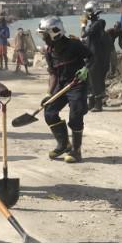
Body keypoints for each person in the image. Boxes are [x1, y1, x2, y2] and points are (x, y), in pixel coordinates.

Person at [39, 15, 93, 163]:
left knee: (76, 114)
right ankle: (63, 144)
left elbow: (91, 57)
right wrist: (49, 93)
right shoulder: (49, 52)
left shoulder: (74, 45)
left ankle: (76, 150)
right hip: (62, 85)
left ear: (54, 33)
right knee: (49, 111)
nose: (43, 39)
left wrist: (85, 70)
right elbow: (53, 74)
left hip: (77, 84)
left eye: (45, 35)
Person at [81, 1, 110, 112]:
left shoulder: (96, 24)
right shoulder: (93, 25)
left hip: (95, 55)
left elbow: (83, 34)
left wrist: (82, 25)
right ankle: (91, 102)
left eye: (87, 12)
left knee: (94, 79)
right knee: (89, 79)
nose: (86, 15)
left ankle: (98, 104)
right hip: (90, 55)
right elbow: (87, 38)